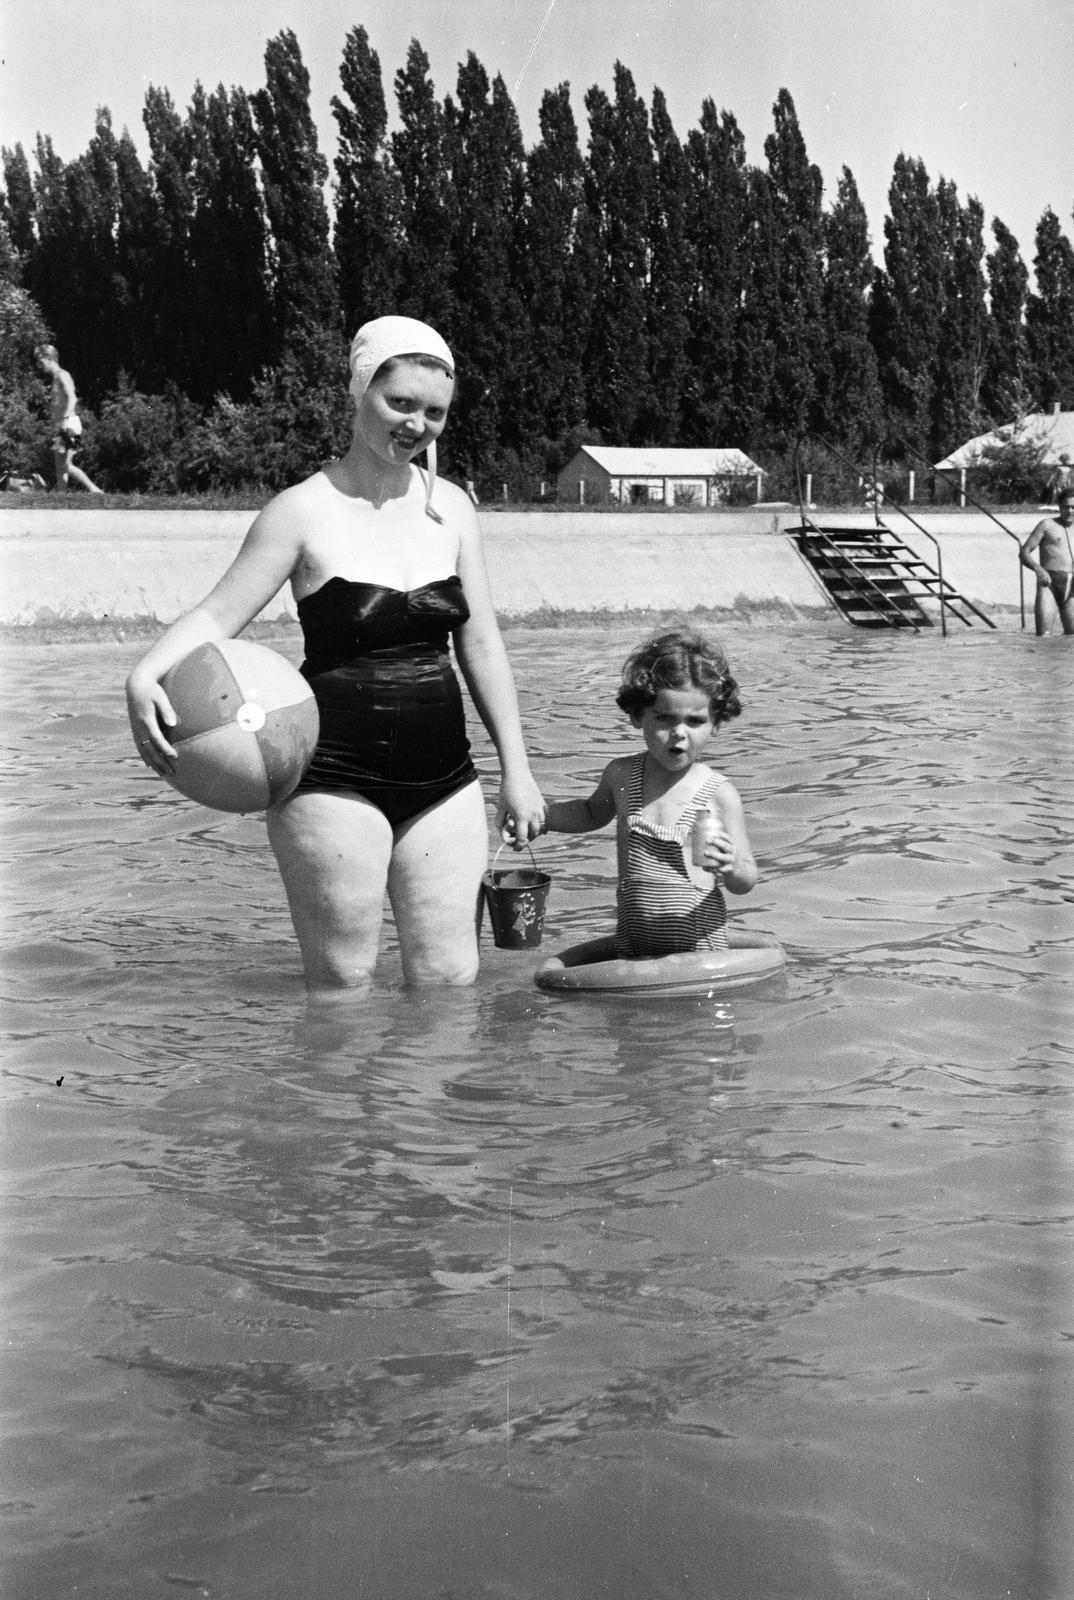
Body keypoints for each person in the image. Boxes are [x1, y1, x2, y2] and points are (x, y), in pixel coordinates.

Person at [126, 315, 546, 992]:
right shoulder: (300, 512)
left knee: (449, 985)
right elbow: (217, 615)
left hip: (446, 781)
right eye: (400, 403)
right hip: (328, 779)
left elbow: (482, 644)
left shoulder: (456, 511)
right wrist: (143, 673)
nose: (416, 424)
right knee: (343, 987)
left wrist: (517, 771)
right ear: (359, 392)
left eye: (434, 412)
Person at [537, 628, 757, 958]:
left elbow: (746, 880)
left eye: (695, 721)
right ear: (639, 714)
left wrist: (730, 867)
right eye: (665, 718)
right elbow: (590, 813)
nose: (679, 734)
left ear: (717, 722)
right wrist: (541, 819)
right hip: (633, 942)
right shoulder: (622, 775)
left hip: (700, 950)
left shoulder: (716, 793)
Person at [34, 344, 103, 493]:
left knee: (65, 466)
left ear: (50, 358)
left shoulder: (62, 375)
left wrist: (64, 419)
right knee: (60, 465)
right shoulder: (56, 377)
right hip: (64, 424)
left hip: (69, 423)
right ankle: (61, 495)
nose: (39, 365)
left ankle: (95, 490)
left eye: (41, 361)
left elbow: (73, 398)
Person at [1020, 488, 1074, 636]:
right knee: (1043, 636)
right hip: (1049, 582)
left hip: (1072, 585)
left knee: (1072, 637)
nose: (1070, 511)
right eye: (1066, 507)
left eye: (1073, 507)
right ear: (1059, 507)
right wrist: (1038, 569)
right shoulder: (1047, 525)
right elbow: (1024, 552)